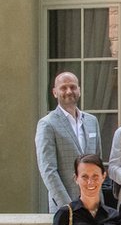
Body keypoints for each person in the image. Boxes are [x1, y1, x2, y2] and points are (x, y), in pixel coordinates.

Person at [35, 72, 103, 213]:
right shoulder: (47, 124)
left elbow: (98, 163)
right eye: (63, 88)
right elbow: (48, 170)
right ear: (55, 92)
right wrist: (68, 206)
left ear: (79, 90)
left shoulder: (92, 121)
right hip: (66, 207)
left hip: (94, 204)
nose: (69, 91)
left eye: (73, 87)